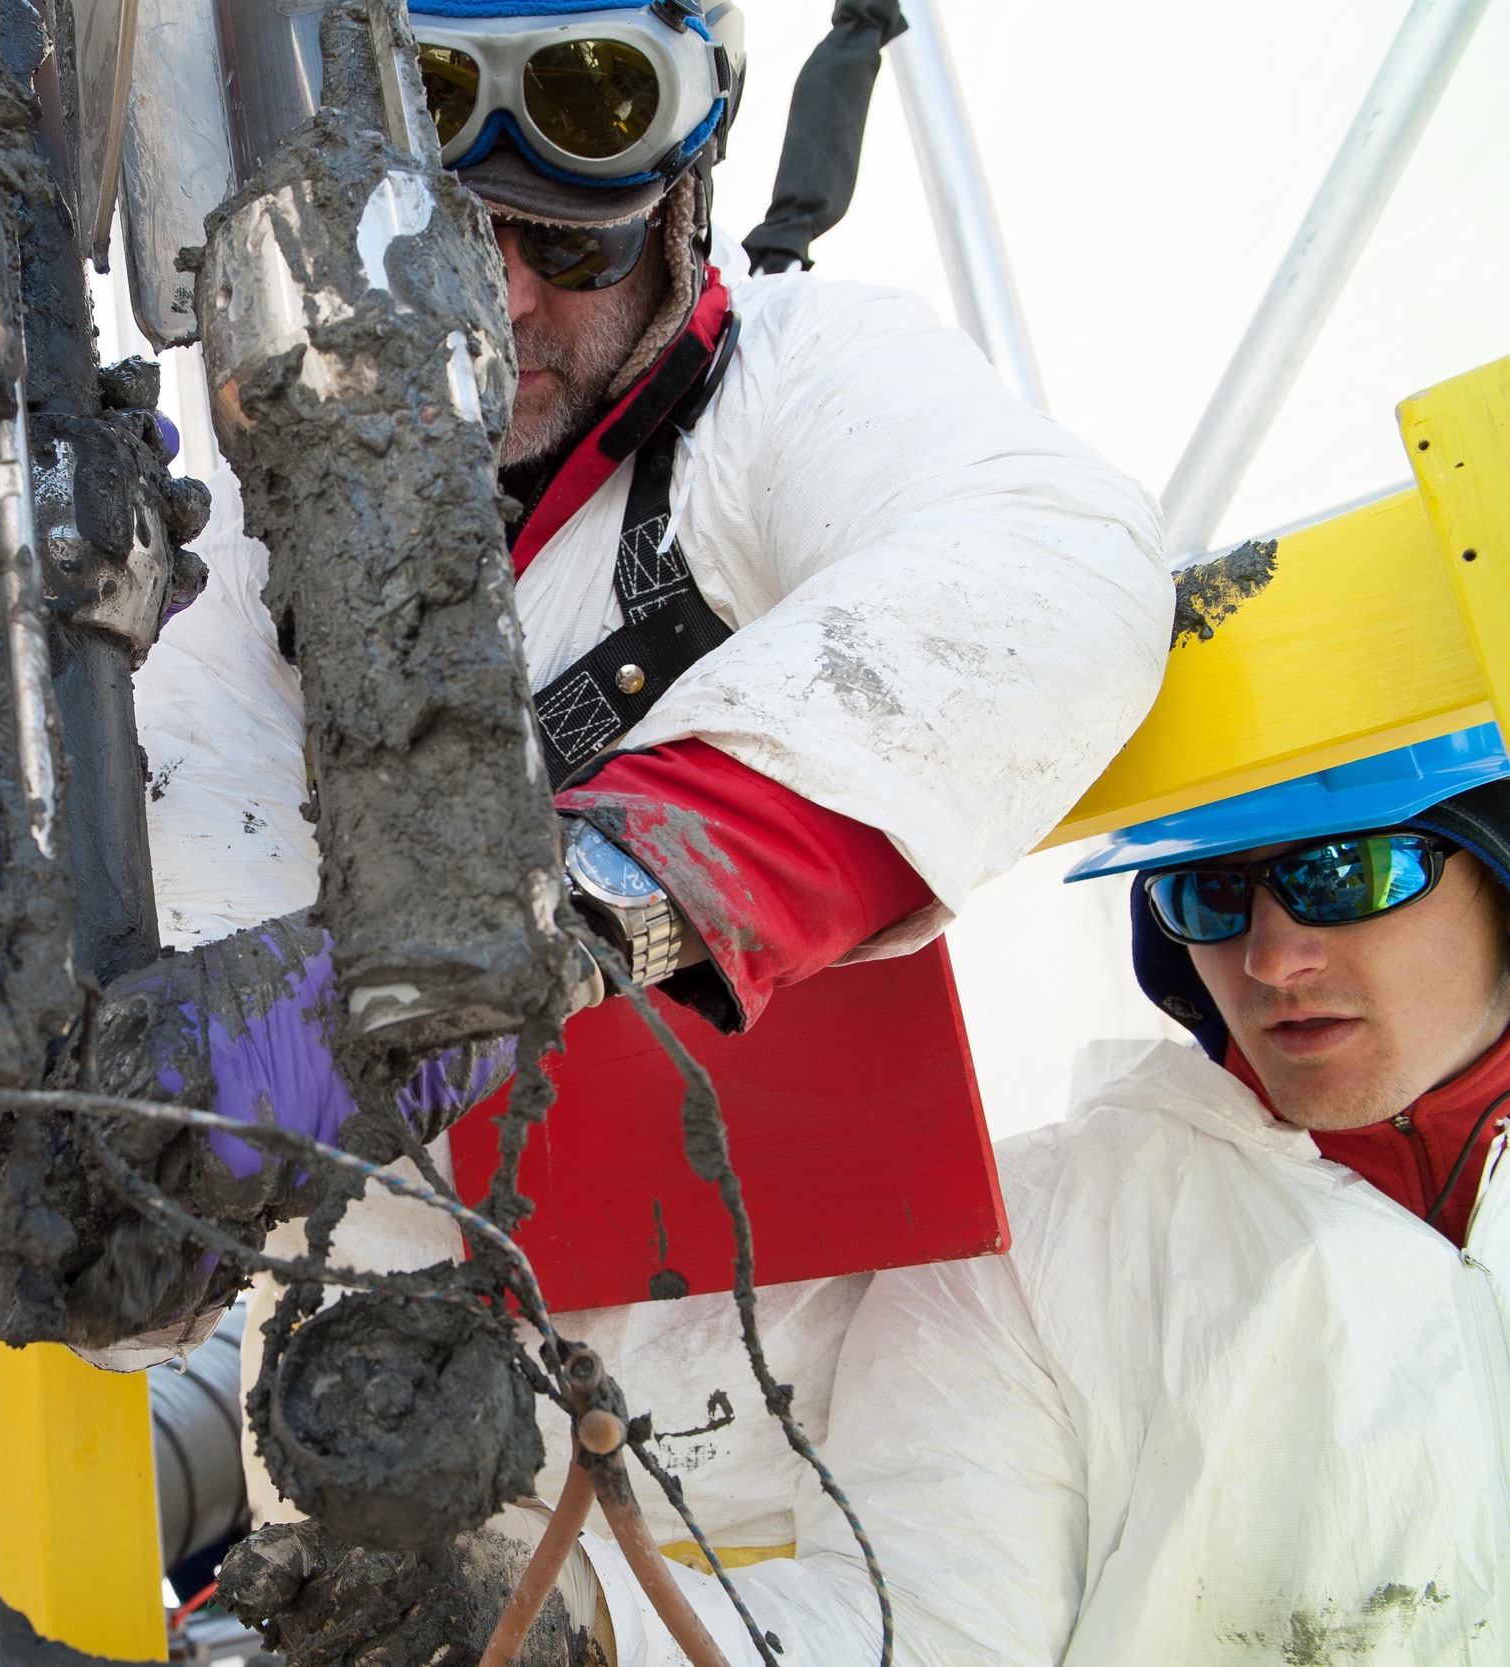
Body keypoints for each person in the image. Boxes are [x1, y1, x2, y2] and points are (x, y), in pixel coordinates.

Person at [122, 0, 1176, 1650]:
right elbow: (191, 974)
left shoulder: (794, 384)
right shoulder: (231, 568)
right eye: (449, 243)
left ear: (680, 207)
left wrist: (597, 895)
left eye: (571, 241)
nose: (513, 302)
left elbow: (1051, 569)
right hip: (385, 1434)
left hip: (803, 1420)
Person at [551, 725, 1510, 1664]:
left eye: (1346, 873)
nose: (1270, 958)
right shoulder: (1040, 1232)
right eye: (1211, 893)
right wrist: (567, 1614)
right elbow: (917, 1633)